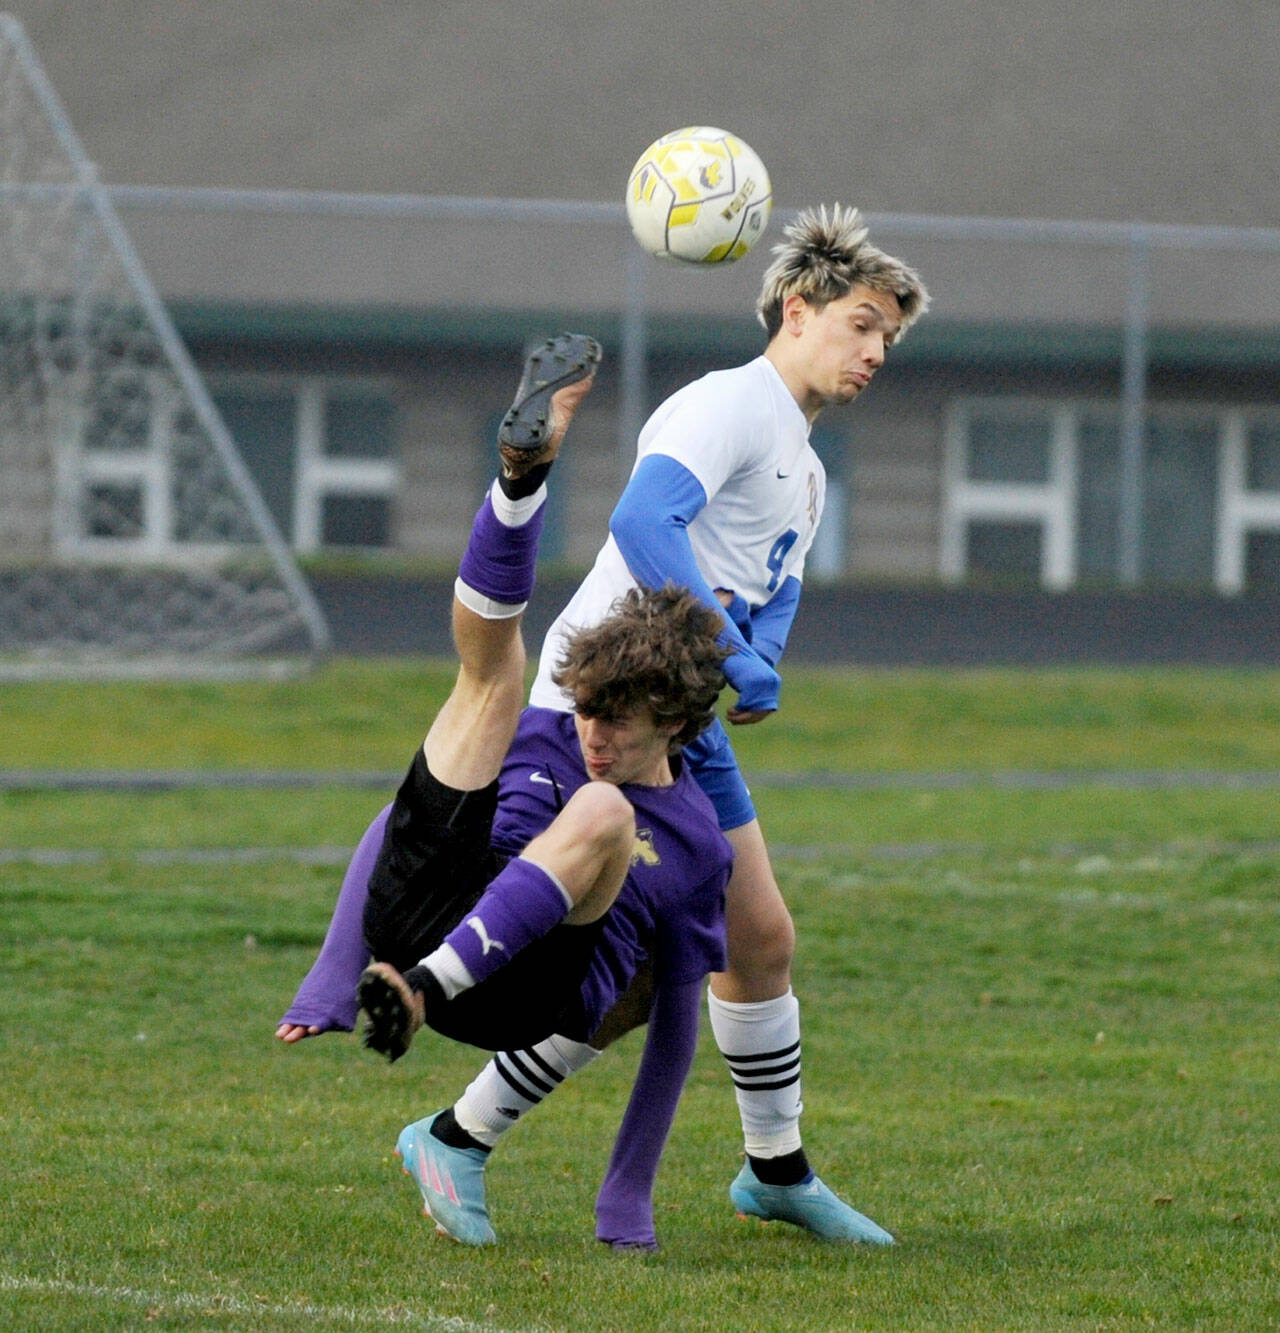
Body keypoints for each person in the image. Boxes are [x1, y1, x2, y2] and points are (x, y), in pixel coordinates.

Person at [279, 205, 928, 1245]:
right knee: (597, 938)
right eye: (861, 324)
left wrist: (759, 660)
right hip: (598, 706)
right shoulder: (729, 405)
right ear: (796, 310)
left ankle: (772, 1167)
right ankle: (457, 1125)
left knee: (756, 940)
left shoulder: (806, 470)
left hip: (684, 717)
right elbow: (642, 521)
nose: (875, 352)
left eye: (888, 338)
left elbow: (777, 588)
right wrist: (733, 649)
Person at [291, 333, 741, 1249]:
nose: (591, 734)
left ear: (677, 723)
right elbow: (402, 822)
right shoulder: (549, 730)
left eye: (618, 721)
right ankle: (519, 484)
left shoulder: (698, 842)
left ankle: (427, 1003)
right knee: (492, 680)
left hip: (523, 991)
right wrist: (333, 975)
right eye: (586, 710)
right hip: (420, 923)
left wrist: (627, 1198)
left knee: (603, 812)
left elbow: (673, 1028)